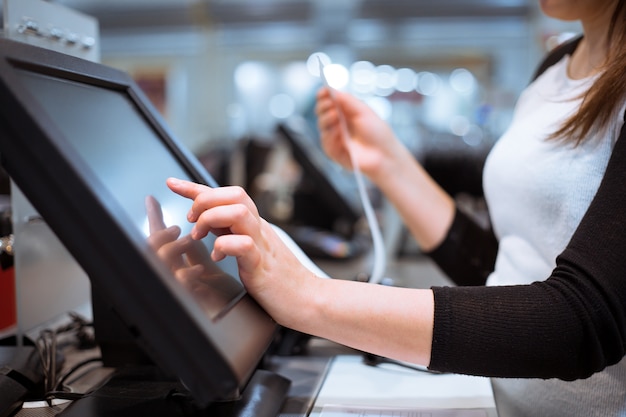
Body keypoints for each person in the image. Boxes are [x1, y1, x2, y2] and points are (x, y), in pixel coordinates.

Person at [166, 0, 626, 415]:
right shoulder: (556, 67)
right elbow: (508, 273)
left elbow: (581, 322)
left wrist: (309, 296)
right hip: (496, 399)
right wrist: (386, 161)